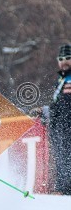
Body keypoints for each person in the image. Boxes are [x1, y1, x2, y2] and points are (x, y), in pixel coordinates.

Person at [48, 44, 71, 195]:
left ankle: (65, 190)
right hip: (61, 129)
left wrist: (48, 111)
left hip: (67, 127)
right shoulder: (61, 80)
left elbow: (65, 103)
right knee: (62, 158)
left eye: (68, 58)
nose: (64, 62)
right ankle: (63, 189)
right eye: (61, 59)